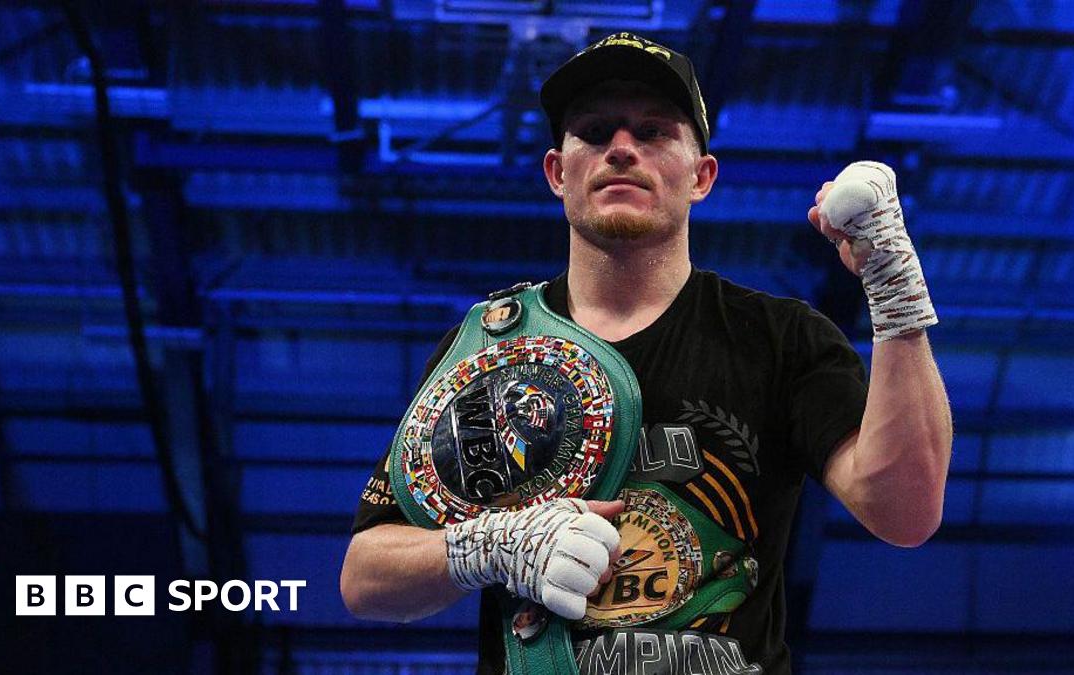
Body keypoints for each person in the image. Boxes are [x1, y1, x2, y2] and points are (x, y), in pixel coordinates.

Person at [340, 31, 952, 674]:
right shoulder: (491, 349)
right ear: (557, 173)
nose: (622, 148)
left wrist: (894, 288)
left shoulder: (780, 338)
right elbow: (364, 576)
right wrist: (486, 548)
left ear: (702, 177)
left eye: (654, 132)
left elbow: (906, 511)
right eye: (595, 131)